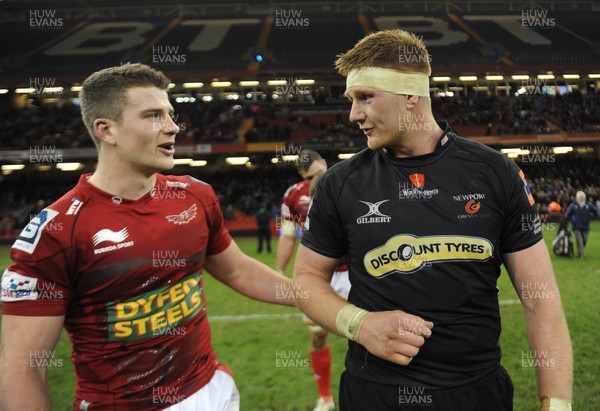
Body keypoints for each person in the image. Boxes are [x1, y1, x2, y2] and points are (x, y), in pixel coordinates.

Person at [293, 29, 572, 411]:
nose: (353, 114)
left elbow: (541, 299)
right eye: (352, 100)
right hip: (373, 393)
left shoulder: (495, 173)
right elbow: (306, 280)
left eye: (365, 98)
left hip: (476, 393)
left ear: (410, 95)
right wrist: (358, 323)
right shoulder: (340, 184)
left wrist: (557, 403)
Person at [0, 63, 294, 411]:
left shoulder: (195, 195)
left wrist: (319, 300)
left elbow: (237, 271)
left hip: (213, 388)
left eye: (171, 114)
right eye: (154, 116)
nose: (172, 127)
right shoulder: (56, 231)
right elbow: (22, 368)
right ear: (107, 130)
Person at [304, 169, 351, 411]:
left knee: (366, 336)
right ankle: (325, 398)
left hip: (355, 276)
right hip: (323, 278)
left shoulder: (352, 198)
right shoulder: (308, 207)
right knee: (318, 337)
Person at [275, 148, 327, 275]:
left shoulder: (347, 186)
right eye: (310, 177)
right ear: (301, 174)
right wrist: (280, 272)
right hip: (313, 267)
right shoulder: (293, 194)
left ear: (325, 164)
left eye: (319, 174)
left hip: (348, 268)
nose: (316, 180)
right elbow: (288, 234)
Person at [565, 191, 599, 259]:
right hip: (576, 226)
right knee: (579, 241)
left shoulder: (588, 205)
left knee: (584, 241)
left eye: (582, 197)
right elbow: (568, 214)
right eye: (580, 197)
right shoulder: (573, 205)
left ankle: (580, 251)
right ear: (577, 198)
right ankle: (581, 255)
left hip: (586, 226)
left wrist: (598, 214)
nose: (581, 198)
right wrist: (566, 221)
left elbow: (596, 211)